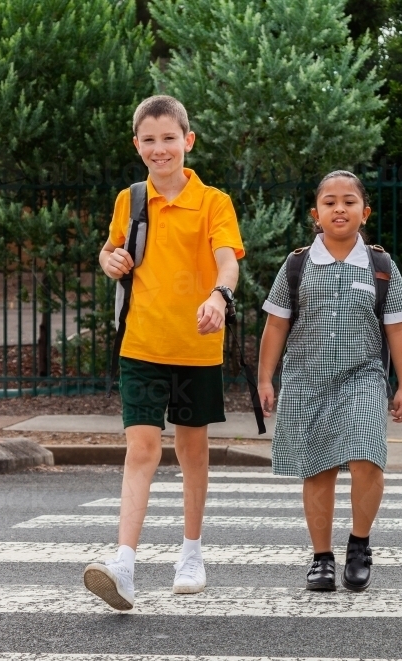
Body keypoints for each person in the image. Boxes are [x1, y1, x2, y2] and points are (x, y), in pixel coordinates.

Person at [83, 95, 245, 611]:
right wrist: (109, 259)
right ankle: (124, 564)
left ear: (187, 141)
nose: (160, 149)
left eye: (168, 138)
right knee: (143, 449)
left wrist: (219, 296)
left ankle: (191, 553)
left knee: (192, 452)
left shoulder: (214, 202)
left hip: (197, 347)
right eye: (149, 141)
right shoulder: (129, 200)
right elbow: (111, 251)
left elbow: (228, 261)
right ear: (137, 145)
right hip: (142, 345)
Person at [257, 170, 402, 592]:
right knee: (319, 468)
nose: (339, 208)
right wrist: (265, 379)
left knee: (367, 458)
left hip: (362, 378)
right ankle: (322, 557)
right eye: (329, 202)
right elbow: (276, 325)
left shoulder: (381, 266)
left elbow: (398, 329)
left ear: (365, 212)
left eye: (348, 201)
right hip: (306, 380)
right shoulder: (297, 264)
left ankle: (359, 544)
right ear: (316, 214)